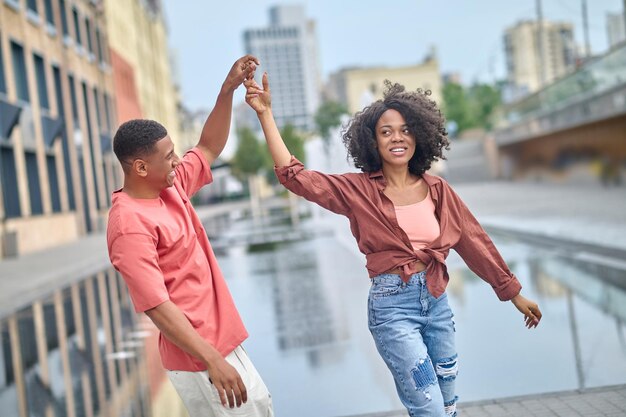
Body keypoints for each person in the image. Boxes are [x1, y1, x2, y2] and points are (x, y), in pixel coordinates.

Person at [245, 73, 542, 417]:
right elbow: (296, 177)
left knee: (447, 405)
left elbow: (473, 240)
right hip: (392, 308)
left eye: (404, 130)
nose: (397, 138)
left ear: (419, 134)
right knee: (427, 406)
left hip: (437, 303)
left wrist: (513, 292)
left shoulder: (438, 190)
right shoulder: (357, 191)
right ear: (372, 142)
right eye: (386, 132)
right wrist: (266, 114)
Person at [107, 55, 274, 417]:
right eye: (168, 157)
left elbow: (209, 147)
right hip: (200, 359)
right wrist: (212, 360)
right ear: (140, 167)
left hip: (223, 345)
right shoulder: (128, 225)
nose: (177, 161)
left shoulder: (170, 186)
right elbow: (156, 306)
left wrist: (227, 90)